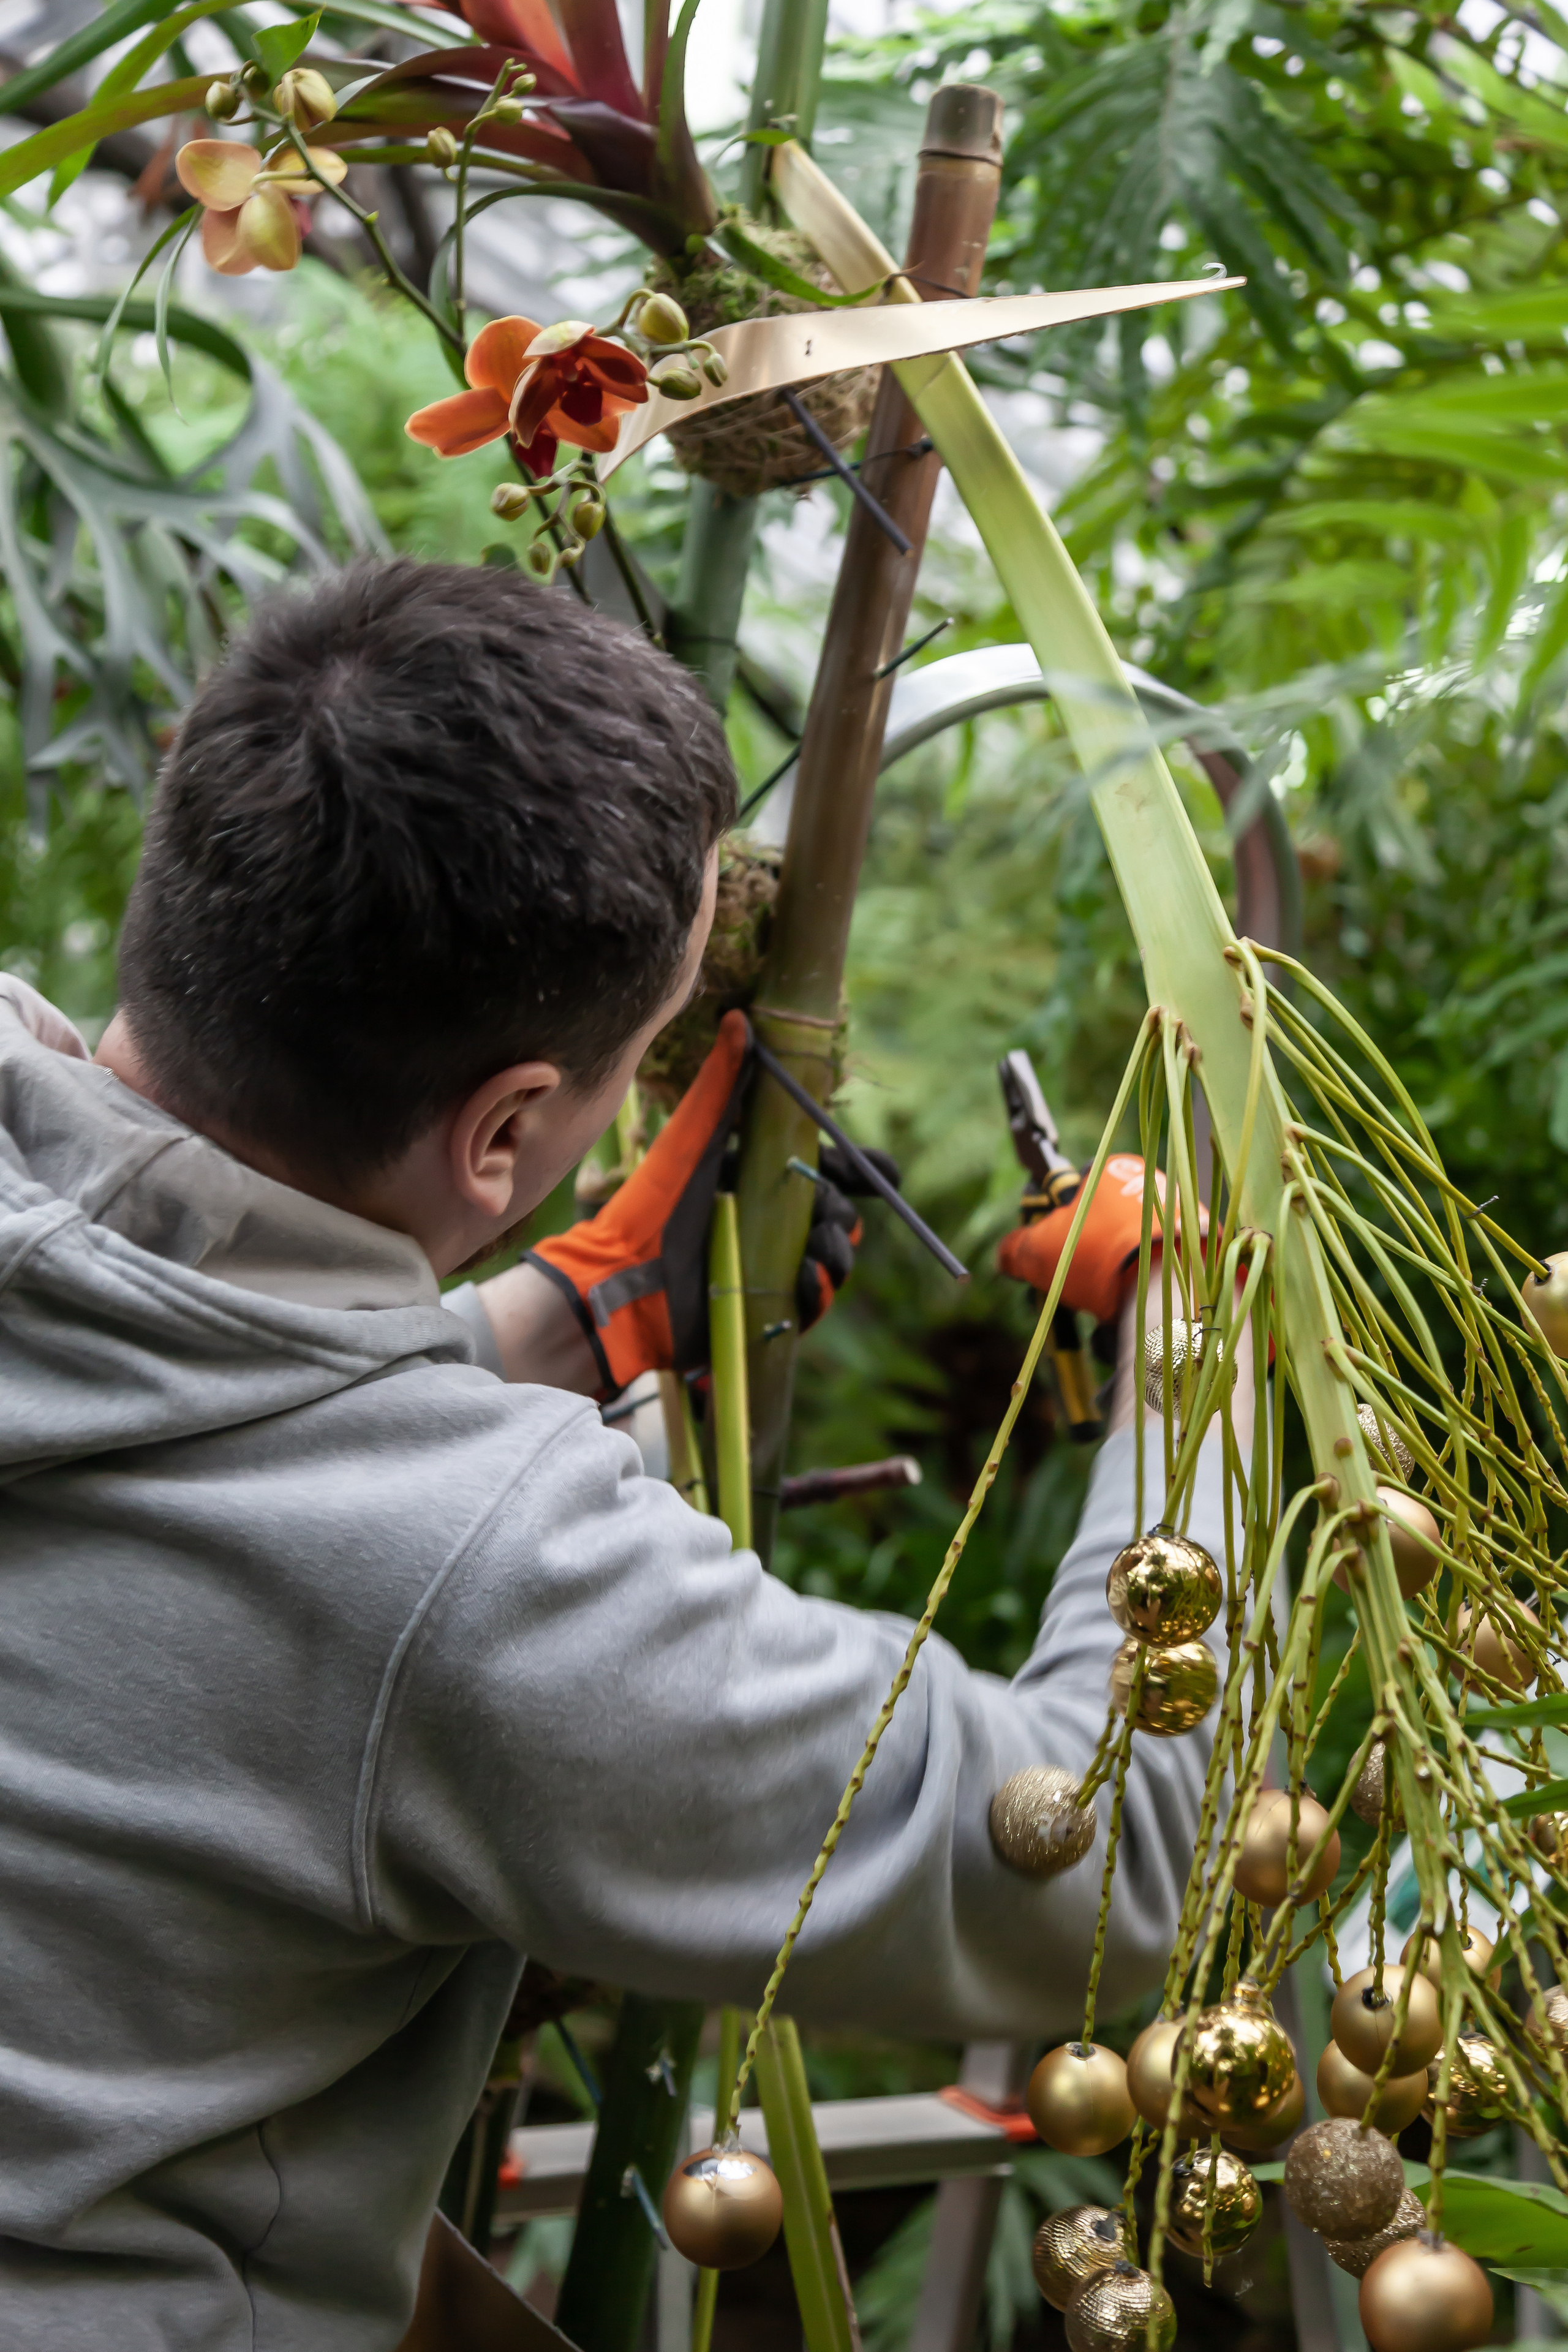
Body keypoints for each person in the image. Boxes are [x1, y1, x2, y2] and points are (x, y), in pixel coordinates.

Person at [0, 559, 1243, 2349]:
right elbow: (1110, 1859)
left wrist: (548, 1322)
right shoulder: (478, 1577)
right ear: (505, 1129)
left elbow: (181, 1445)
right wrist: (1192, 1369)